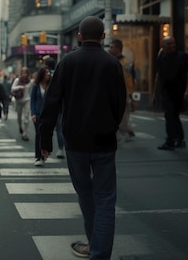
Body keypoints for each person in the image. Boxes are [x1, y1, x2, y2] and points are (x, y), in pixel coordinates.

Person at [38, 16, 126, 259]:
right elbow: (120, 103)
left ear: (78, 36)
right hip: (105, 143)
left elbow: (52, 102)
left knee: (86, 195)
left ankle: (94, 245)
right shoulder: (112, 64)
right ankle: (98, 250)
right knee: (106, 199)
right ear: (103, 37)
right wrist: (112, 126)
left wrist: (45, 141)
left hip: (76, 142)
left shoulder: (68, 62)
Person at [153, 36, 188, 150]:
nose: (171, 46)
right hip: (166, 92)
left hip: (179, 91)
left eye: (173, 43)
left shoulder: (182, 56)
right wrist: (155, 93)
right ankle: (174, 140)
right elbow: (158, 76)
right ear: (163, 46)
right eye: (168, 44)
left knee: (173, 116)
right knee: (170, 116)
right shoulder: (161, 57)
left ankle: (175, 140)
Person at [109, 39, 136, 141]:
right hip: (114, 94)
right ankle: (125, 131)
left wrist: (127, 94)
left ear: (118, 49)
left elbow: (130, 81)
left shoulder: (125, 63)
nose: (110, 49)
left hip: (122, 95)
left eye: (112, 47)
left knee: (122, 116)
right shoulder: (112, 61)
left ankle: (122, 133)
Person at [44, 56, 66, 158]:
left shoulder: (46, 75)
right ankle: (61, 149)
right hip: (61, 105)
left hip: (52, 105)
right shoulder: (60, 73)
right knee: (59, 128)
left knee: (51, 126)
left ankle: (47, 148)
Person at [30, 66, 51, 166]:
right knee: (38, 135)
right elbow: (32, 100)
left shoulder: (51, 85)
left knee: (45, 134)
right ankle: (38, 156)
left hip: (48, 114)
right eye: (46, 73)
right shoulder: (36, 85)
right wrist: (33, 113)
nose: (48, 74)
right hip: (38, 114)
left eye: (49, 73)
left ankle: (44, 153)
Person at [10, 67, 32, 141]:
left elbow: (31, 91)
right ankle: (20, 127)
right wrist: (19, 87)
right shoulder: (17, 80)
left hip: (27, 100)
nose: (24, 75)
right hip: (19, 100)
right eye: (23, 73)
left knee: (26, 117)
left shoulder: (30, 82)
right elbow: (12, 88)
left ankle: (24, 132)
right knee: (19, 117)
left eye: (26, 73)